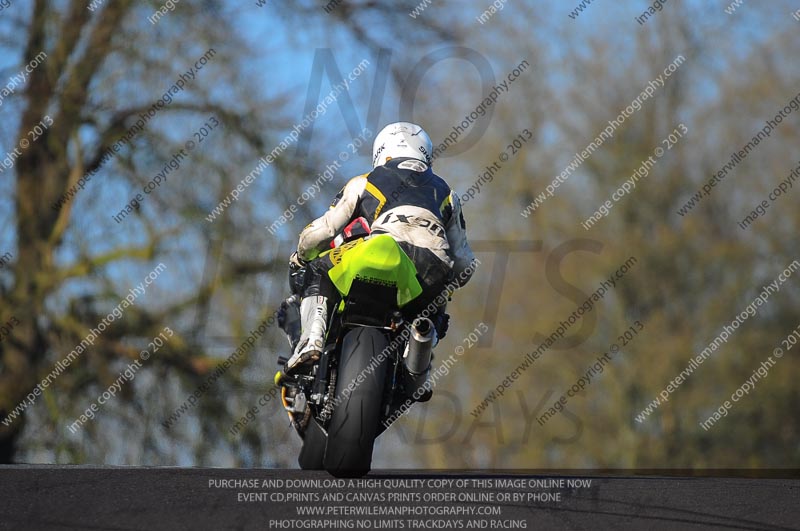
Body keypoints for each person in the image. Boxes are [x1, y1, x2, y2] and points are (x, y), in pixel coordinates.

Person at [283, 122, 475, 373]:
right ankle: (419, 359)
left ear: (382, 151)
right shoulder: (448, 194)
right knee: (437, 305)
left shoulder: (365, 181)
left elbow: (326, 230)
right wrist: (449, 283)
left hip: (384, 247)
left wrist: (301, 255)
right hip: (432, 267)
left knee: (319, 268)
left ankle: (312, 340)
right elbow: (464, 264)